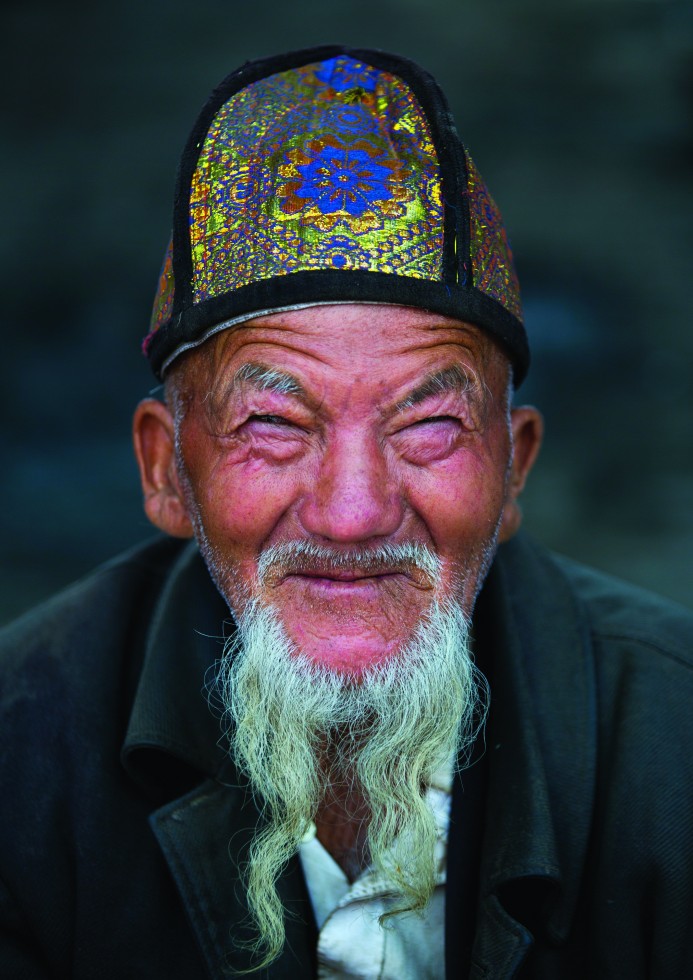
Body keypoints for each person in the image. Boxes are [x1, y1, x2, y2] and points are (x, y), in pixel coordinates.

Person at [1, 45, 692, 980]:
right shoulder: (20, 758)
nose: (354, 512)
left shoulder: (673, 743)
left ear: (514, 471)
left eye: (431, 425)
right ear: (166, 469)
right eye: (276, 423)